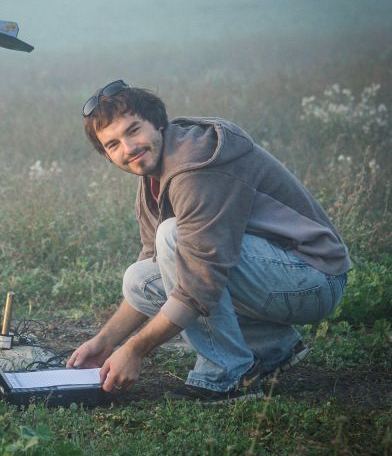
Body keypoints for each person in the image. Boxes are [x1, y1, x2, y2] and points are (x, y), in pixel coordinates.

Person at [67, 80, 350, 404]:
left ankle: (226, 376)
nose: (128, 148)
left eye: (133, 131)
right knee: (140, 278)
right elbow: (162, 266)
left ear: (158, 122)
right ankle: (271, 346)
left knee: (173, 237)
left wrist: (134, 349)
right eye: (113, 144)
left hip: (313, 277)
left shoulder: (196, 164)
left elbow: (199, 285)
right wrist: (105, 342)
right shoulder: (151, 177)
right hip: (269, 272)